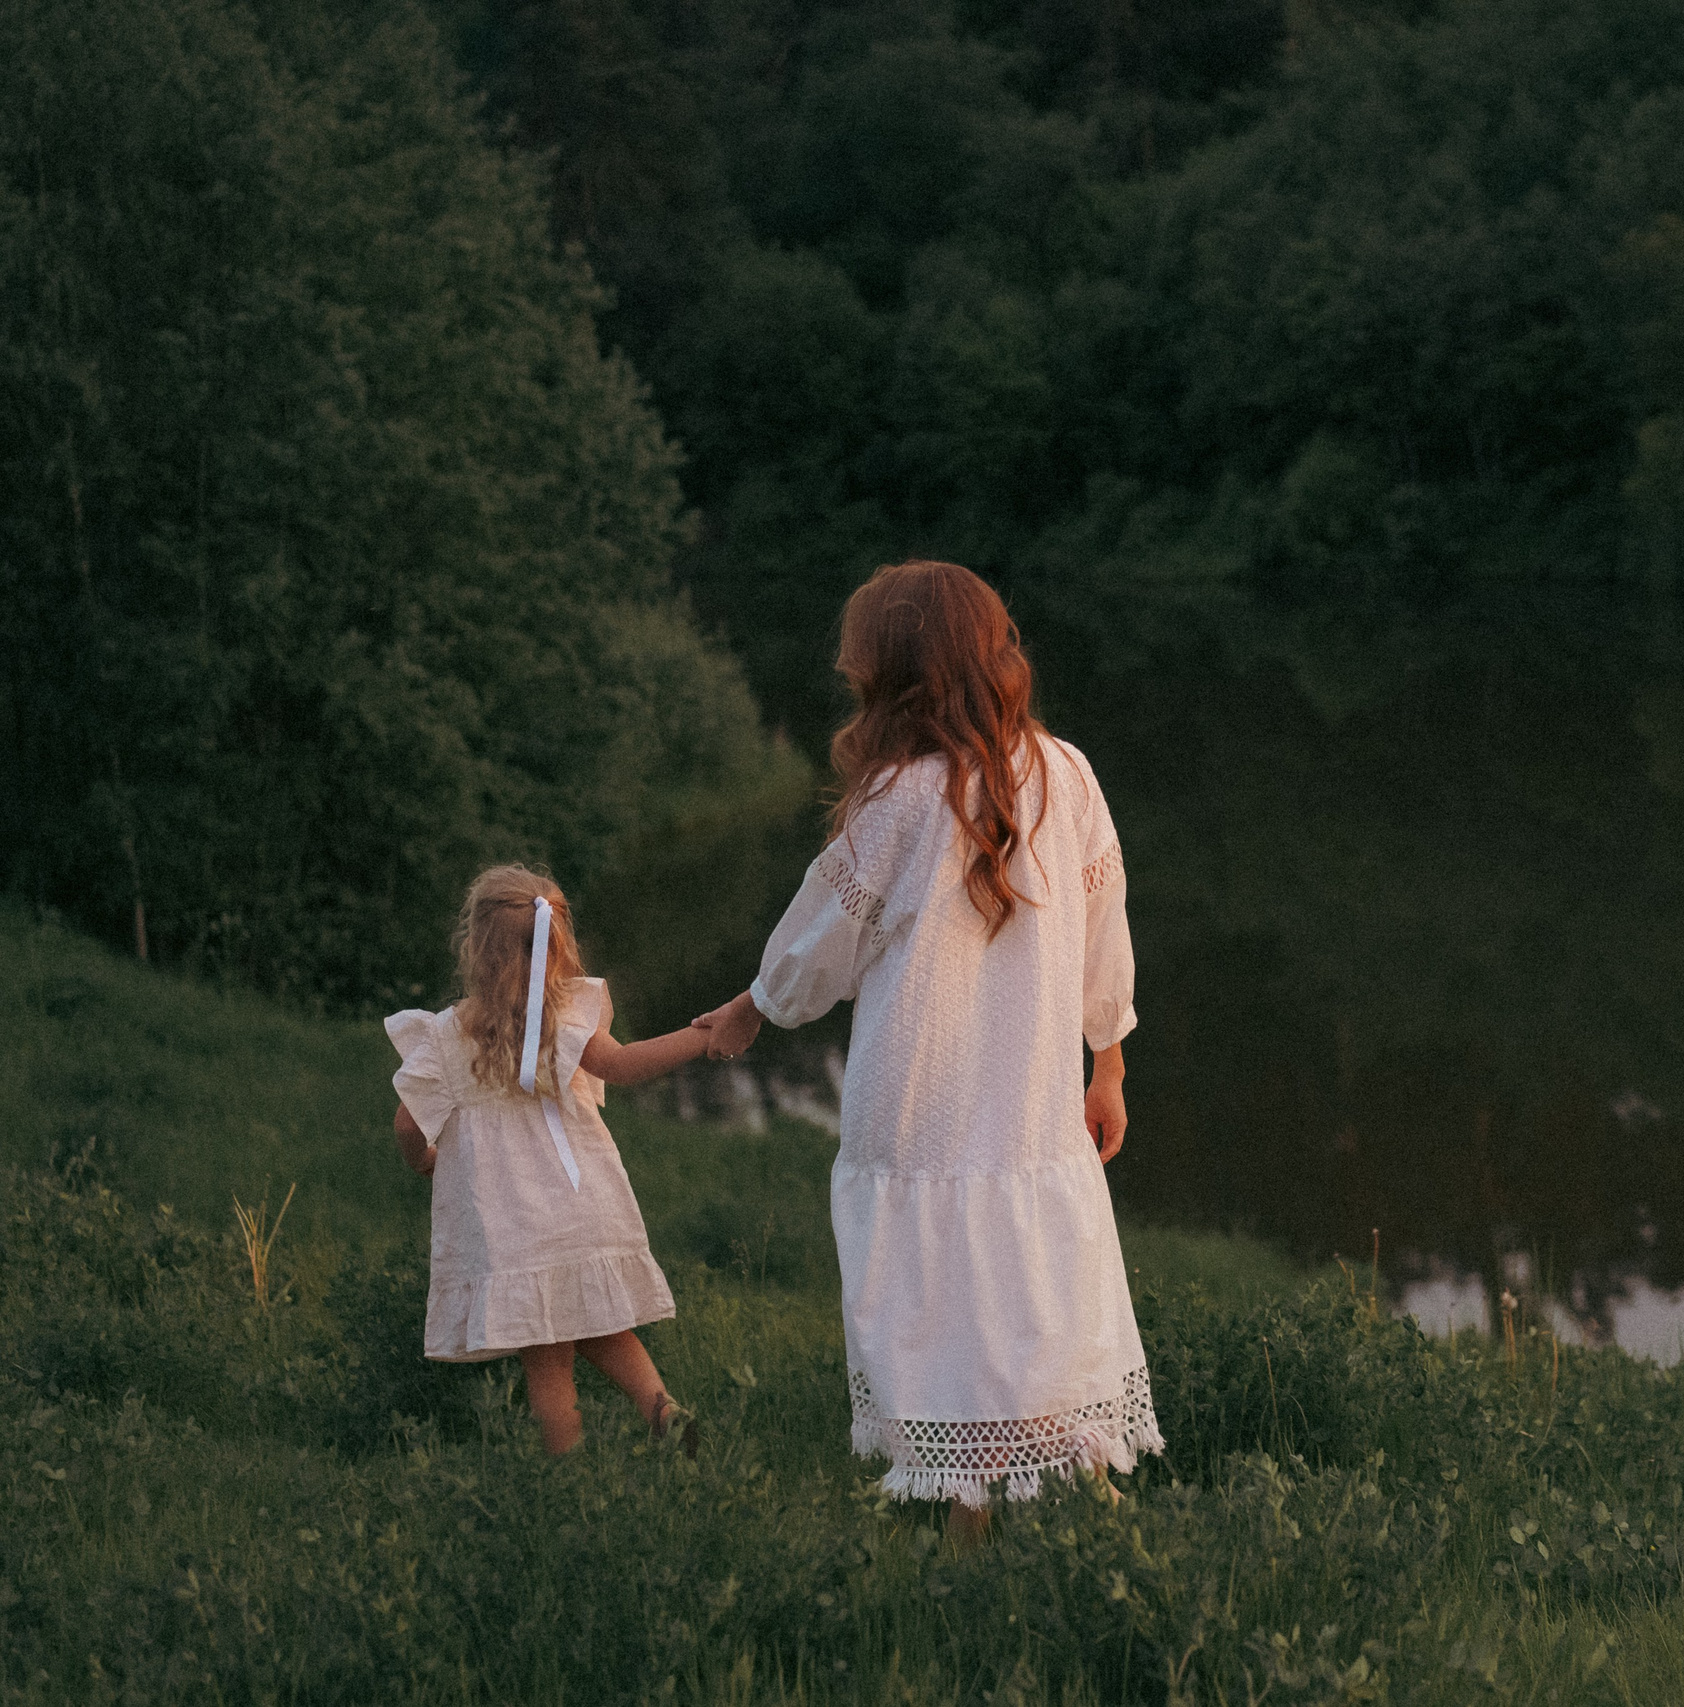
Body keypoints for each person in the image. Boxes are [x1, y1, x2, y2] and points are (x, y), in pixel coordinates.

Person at [697, 559, 1160, 1538]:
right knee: (1034, 1299)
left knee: (949, 1312)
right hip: (1028, 1115)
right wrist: (1107, 1058)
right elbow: (1103, 928)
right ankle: (1048, 1507)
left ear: (894, 677)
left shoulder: (901, 799)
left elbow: (814, 947)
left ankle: (973, 1526)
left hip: (923, 1115)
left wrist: (755, 1005)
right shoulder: (1065, 771)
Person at [385, 864, 725, 1455]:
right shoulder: (566, 1018)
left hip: (515, 1232)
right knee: (601, 1328)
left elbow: (407, 1126)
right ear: (558, 943)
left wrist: (425, 1159)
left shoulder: (446, 1038)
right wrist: (703, 1035)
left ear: (477, 947)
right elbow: (624, 1065)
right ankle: (664, 1411)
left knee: (547, 1363)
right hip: (580, 1207)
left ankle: (564, 1484)